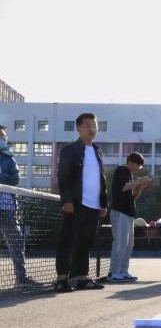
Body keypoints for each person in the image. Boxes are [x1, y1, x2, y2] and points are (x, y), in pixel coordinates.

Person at [55, 113, 108, 292]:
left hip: (94, 205)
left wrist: (103, 203)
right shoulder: (69, 150)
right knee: (67, 241)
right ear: (78, 128)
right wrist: (67, 200)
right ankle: (61, 279)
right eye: (87, 125)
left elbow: (101, 179)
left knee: (86, 242)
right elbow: (63, 178)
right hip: (76, 204)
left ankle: (82, 278)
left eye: (94, 125)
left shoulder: (97, 151)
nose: (91, 129)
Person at [0, 125, 37, 288]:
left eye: (4, 136)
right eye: (0, 136)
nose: (3, 139)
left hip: (7, 208)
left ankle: (22, 279)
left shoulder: (8, 158)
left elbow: (15, 180)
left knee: (16, 242)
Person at [107, 152, 151, 283]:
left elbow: (133, 197)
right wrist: (138, 181)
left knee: (129, 244)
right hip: (119, 211)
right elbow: (124, 187)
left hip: (129, 212)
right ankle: (114, 272)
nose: (139, 168)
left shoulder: (130, 175)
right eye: (138, 165)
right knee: (120, 242)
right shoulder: (122, 170)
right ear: (131, 162)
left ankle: (123, 271)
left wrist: (141, 187)